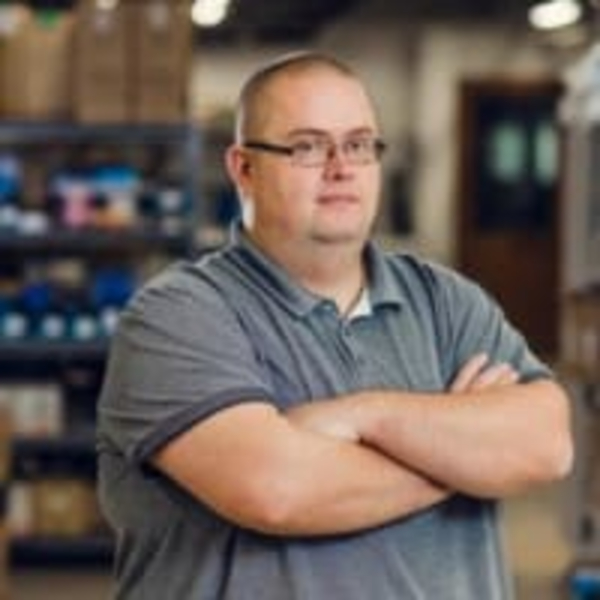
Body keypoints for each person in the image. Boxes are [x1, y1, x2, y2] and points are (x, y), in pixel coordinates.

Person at [97, 51, 574, 600]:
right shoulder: (177, 317)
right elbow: (276, 490)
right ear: (244, 169)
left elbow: (547, 445)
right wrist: (467, 459)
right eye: (307, 147)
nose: (341, 168)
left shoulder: (446, 302)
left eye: (359, 144)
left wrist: (366, 414)